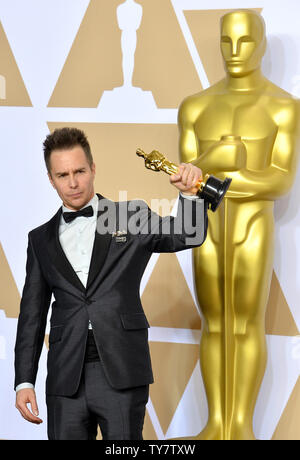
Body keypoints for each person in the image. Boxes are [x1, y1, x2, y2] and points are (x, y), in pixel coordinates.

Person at [14, 127, 208, 440]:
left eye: (79, 171)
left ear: (93, 168)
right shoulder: (40, 239)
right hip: (65, 379)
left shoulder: (130, 216)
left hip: (121, 369)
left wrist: (188, 194)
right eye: (62, 175)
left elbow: (188, 234)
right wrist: (24, 381)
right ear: (51, 179)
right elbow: (31, 316)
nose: (73, 182)